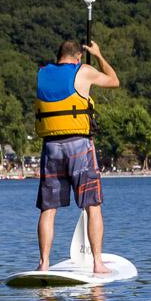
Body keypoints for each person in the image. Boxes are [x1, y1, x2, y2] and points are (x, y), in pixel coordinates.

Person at [34, 38, 120, 273]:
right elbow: (114, 81)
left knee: (48, 210)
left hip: (50, 146)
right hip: (79, 145)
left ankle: (43, 264)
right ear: (78, 57)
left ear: (58, 56)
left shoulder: (42, 73)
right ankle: (98, 263)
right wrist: (99, 55)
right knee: (93, 206)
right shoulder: (84, 71)